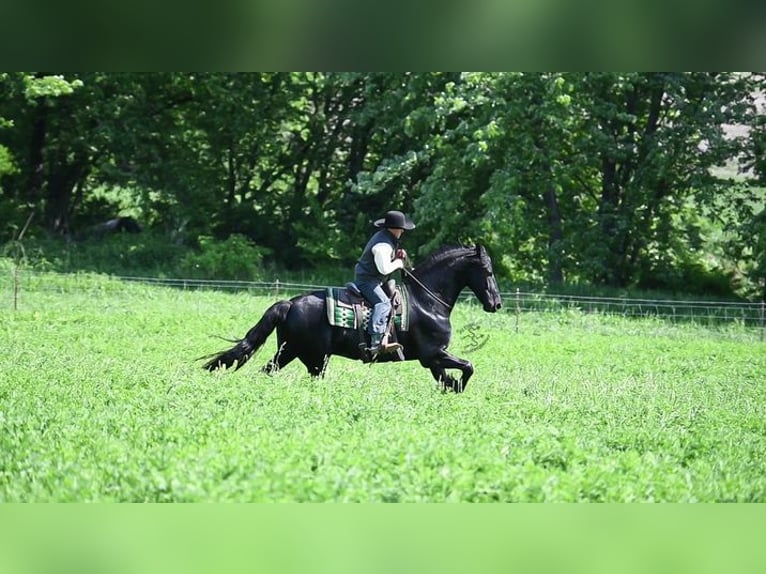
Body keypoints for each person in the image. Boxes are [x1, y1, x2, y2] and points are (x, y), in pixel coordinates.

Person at [354, 210, 415, 354]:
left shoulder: (386, 239)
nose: (403, 232)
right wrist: (399, 263)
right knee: (383, 303)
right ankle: (376, 340)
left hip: (372, 280)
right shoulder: (383, 245)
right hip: (367, 281)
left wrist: (399, 258)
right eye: (402, 229)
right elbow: (384, 269)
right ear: (398, 229)